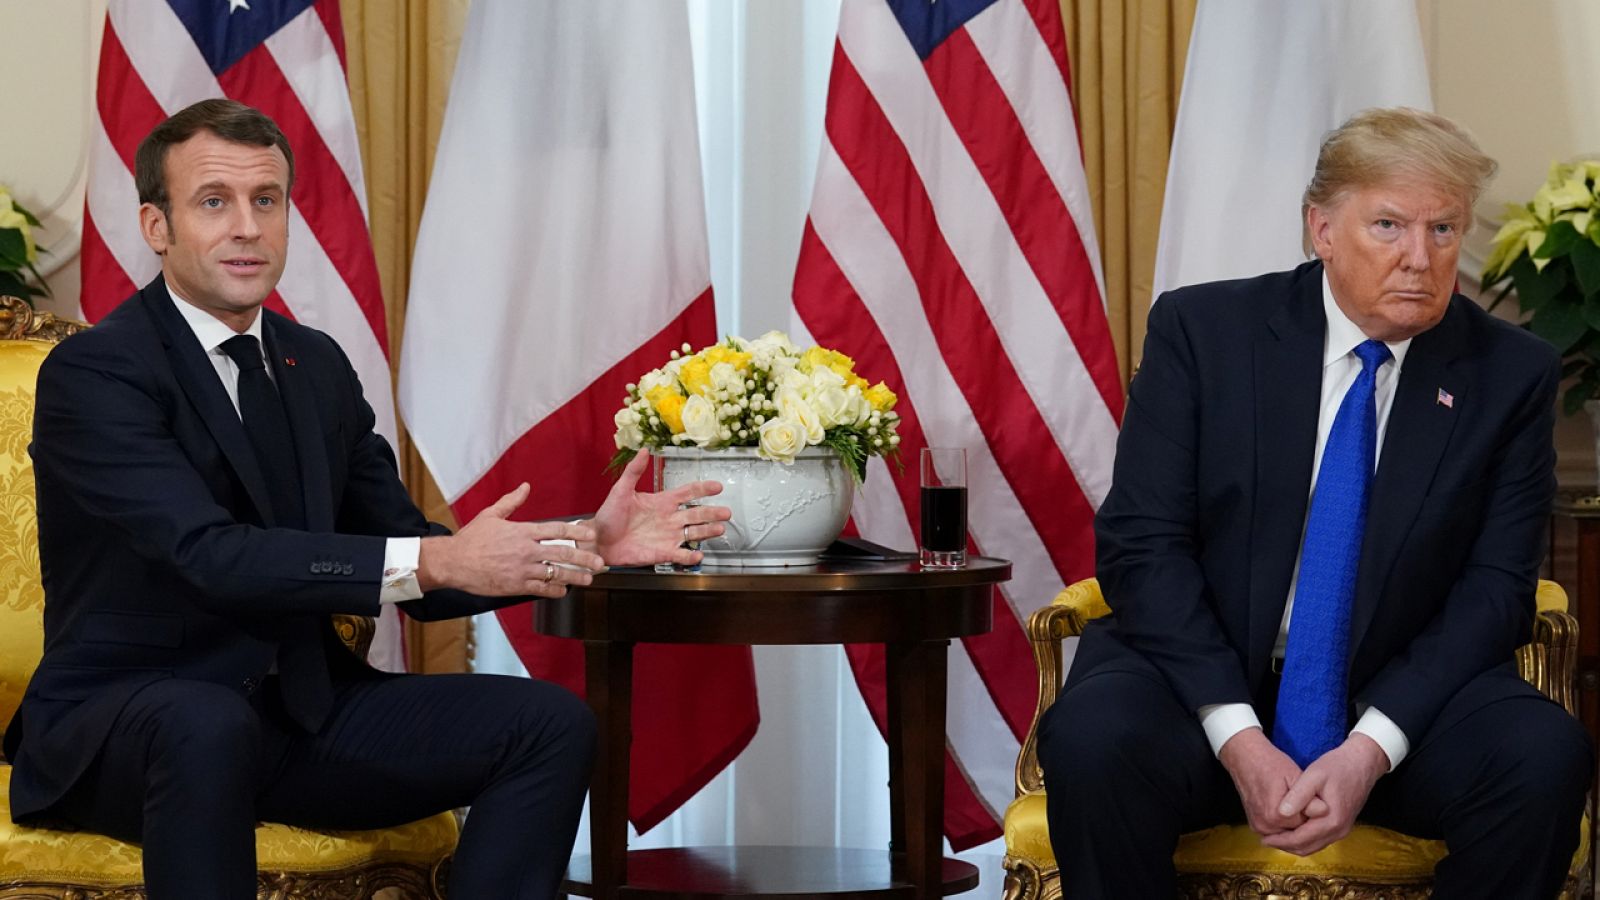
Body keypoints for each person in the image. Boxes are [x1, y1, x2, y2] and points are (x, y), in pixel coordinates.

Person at [1, 98, 730, 899]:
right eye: (214, 202)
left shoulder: (314, 365)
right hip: (125, 726)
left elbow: (409, 550)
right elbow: (206, 555)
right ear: (156, 225)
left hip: (297, 717)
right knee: (204, 725)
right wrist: (432, 556)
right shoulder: (99, 374)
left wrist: (585, 540)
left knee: (548, 726)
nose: (247, 226)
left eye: (267, 200)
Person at [1038, 107, 1592, 898]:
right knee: (1095, 738)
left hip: (1398, 701)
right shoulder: (1205, 332)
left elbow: (1494, 590)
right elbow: (1142, 547)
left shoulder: (1509, 373)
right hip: (1205, 686)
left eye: (1443, 230)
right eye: (1390, 225)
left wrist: (1369, 749)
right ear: (1321, 229)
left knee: (1542, 756)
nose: (1419, 258)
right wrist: (1238, 737)